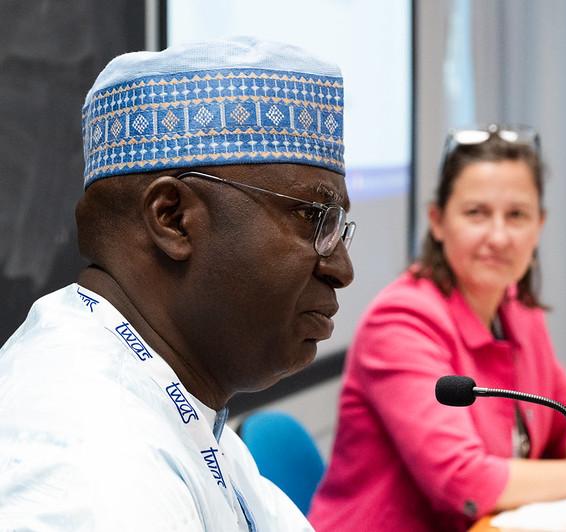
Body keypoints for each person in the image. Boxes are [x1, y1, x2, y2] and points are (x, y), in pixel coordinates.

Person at [0, 37, 355, 531]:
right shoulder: (92, 459)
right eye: (311, 218)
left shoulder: (171, 396)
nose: (342, 268)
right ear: (173, 219)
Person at [308, 126, 566, 531]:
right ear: (438, 221)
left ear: (540, 226)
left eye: (516, 215)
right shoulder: (400, 321)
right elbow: (464, 483)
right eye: (476, 213)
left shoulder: (516, 308)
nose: (498, 236)